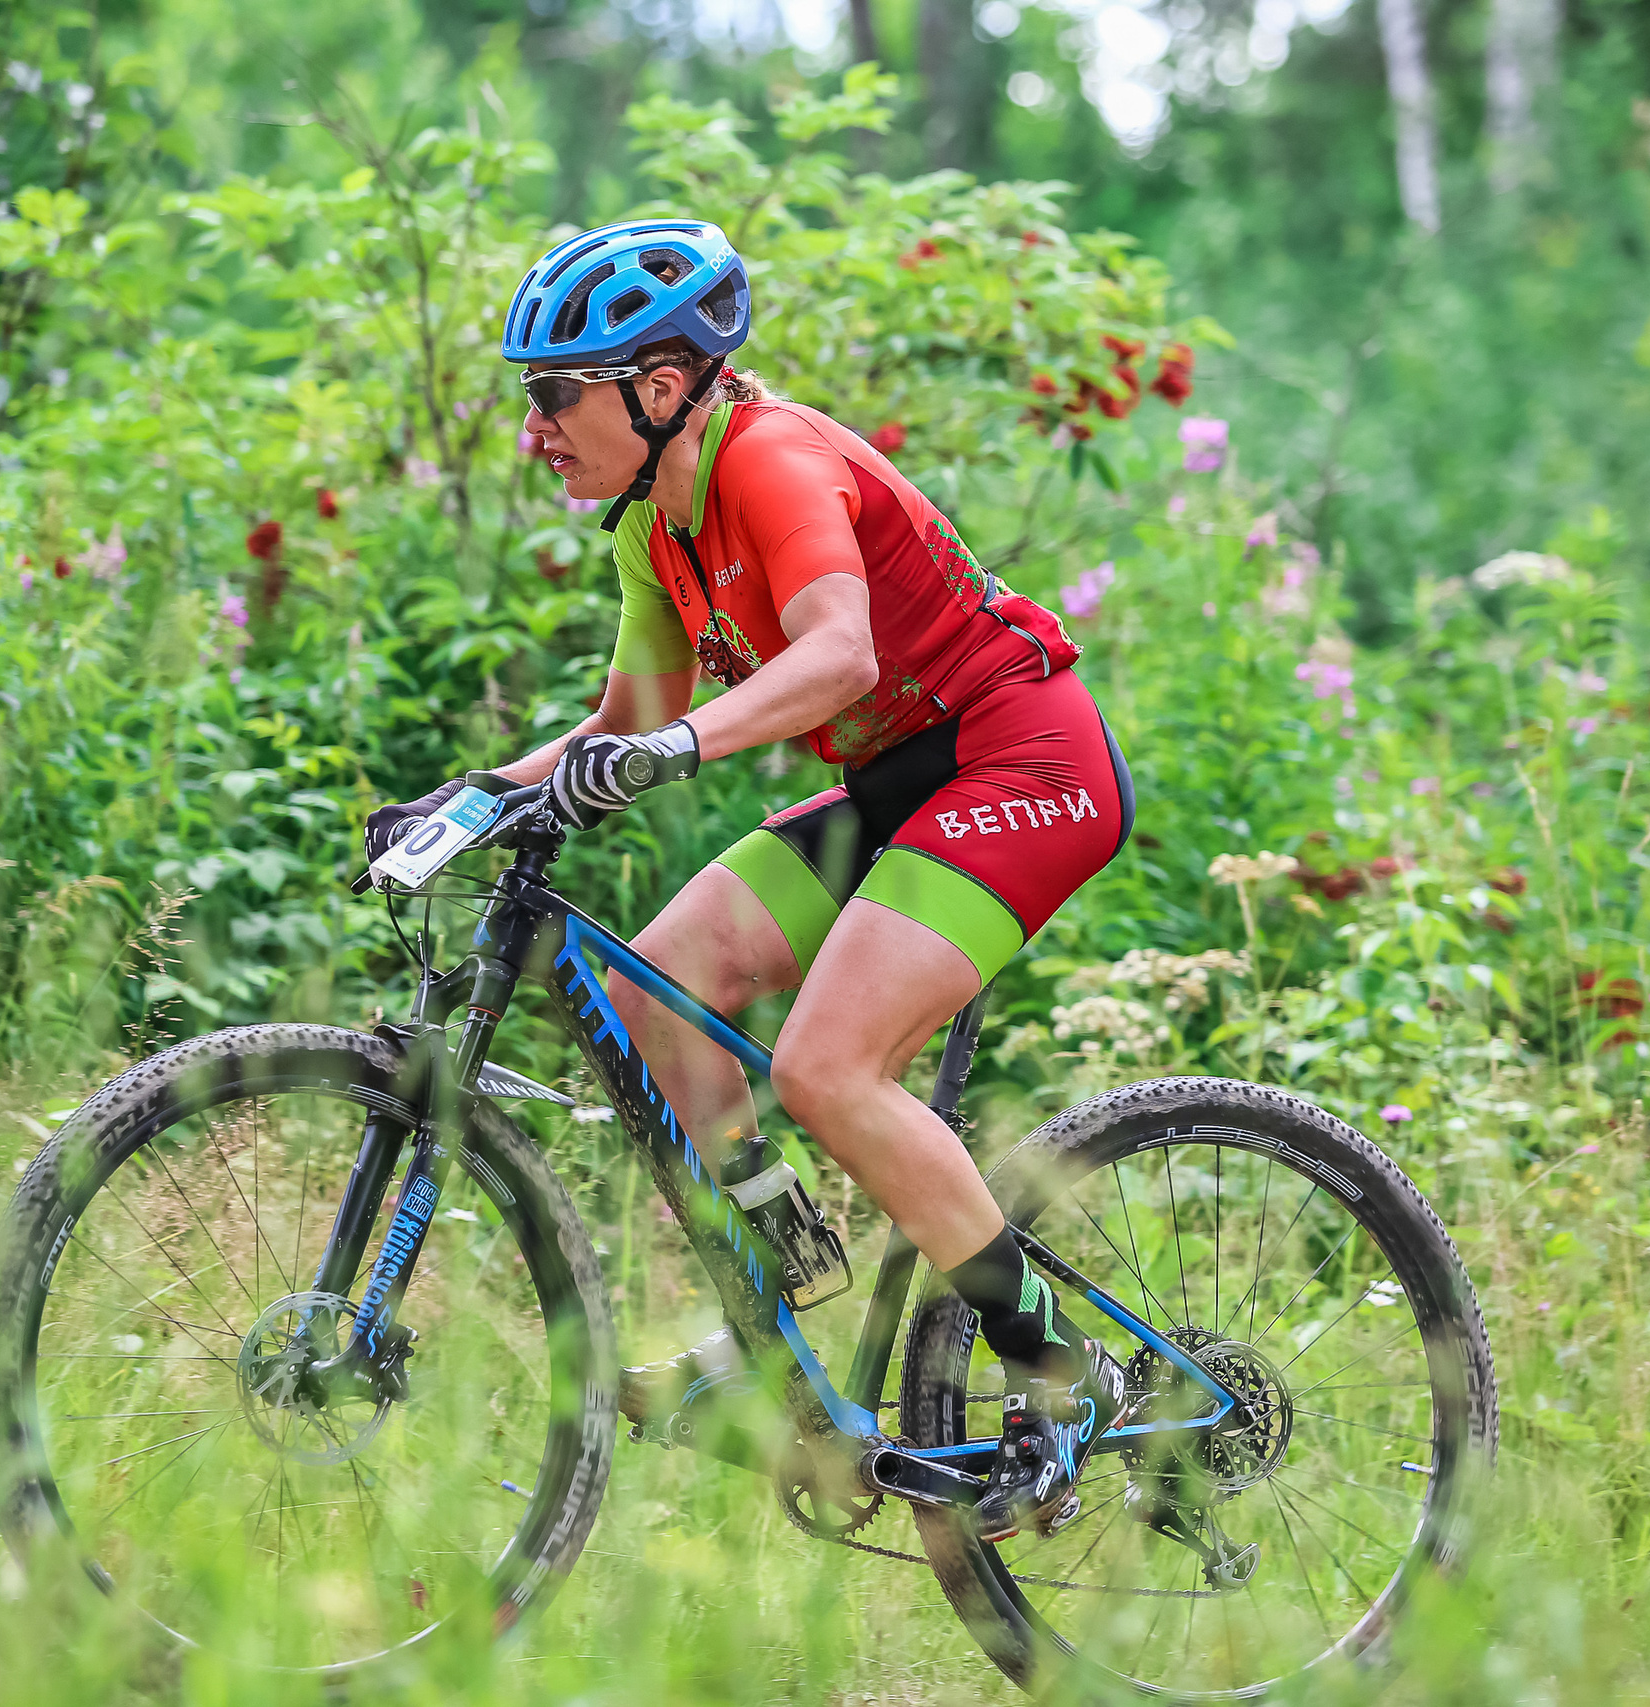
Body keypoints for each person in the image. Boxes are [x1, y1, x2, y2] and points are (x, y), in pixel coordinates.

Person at [362, 219, 1137, 1540]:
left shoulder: (769, 456)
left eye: (554, 395)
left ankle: (1068, 1376)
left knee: (826, 1070)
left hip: (1020, 759)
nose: (534, 427)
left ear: (659, 390)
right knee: (662, 983)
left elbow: (835, 659)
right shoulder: (651, 531)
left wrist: (677, 746)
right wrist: (479, 799)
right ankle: (780, 1313)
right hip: (909, 777)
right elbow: (625, 719)